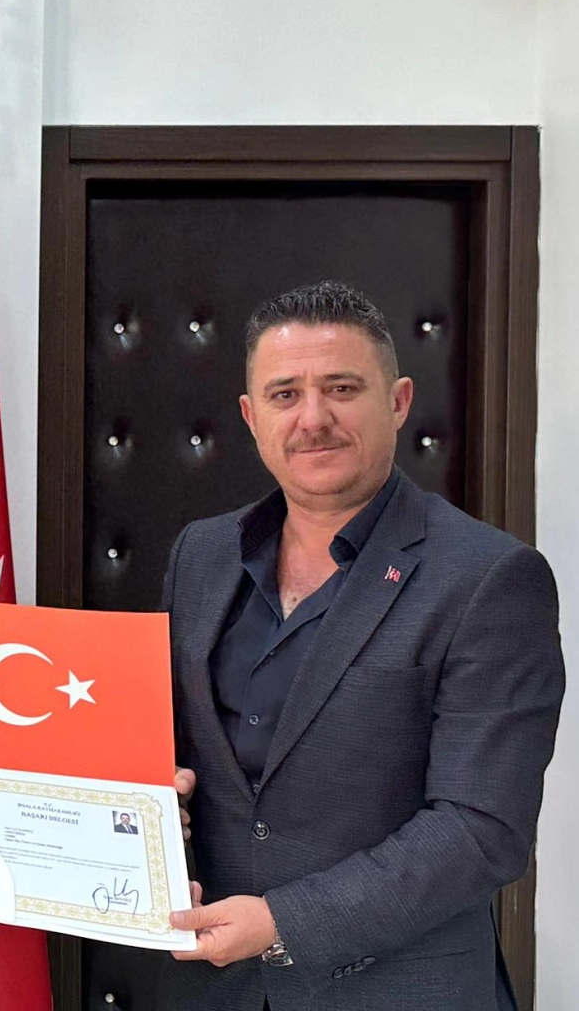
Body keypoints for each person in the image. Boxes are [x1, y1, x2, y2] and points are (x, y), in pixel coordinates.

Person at [160, 282, 564, 1010]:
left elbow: (482, 829)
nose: (313, 418)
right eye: (285, 395)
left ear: (399, 401)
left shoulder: (491, 578)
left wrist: (285, 923)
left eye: (342, 388)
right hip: (214, 989)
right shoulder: (202, 555)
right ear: (252, 416)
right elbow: (168, 751)